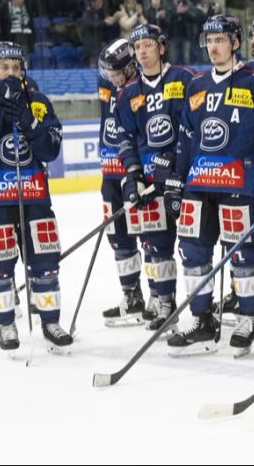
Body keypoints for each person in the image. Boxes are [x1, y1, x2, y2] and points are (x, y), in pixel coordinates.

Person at [165, 14, 254, 357]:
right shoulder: (196, 85)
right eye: (208, 41)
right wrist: (178, 177)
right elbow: (186, 136)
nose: (213, 47)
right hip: (199, 182)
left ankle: (246, 317)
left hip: (242, 180)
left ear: (235, 43)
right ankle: (202, 318)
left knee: (243, 252)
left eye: (220, 40)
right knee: (192, 253)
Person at [0, 42, 72, 353]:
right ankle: (6, 323)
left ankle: (50, 322)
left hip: (34, 194)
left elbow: (50, 150)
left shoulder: (38, 102)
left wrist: (28, 120)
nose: (11, 73)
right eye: (4, 68)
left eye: (16, 68)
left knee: (46, 262)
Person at [114, 24, 196, 331]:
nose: (143, 51)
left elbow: (195, 128)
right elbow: (124, 138)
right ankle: (165, 302)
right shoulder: (128, 94)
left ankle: (202, 307)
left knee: (193, 247)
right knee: (155, 246)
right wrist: (133, 173)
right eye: (138, 47)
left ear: (161, 48)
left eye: (148, 45)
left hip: (185, 177)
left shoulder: (185, 79)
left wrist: (174, 160)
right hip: (149, 183)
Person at [96, 39, 149, 326]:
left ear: (131, 66)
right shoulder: (105, 84)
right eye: (107, 72)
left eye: (116, 72)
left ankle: (157, 298)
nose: (111, 78)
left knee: (148, 234)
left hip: (135, 172)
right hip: (109, 172)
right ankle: (131, 295)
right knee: (118, 237)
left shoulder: (143, 87)